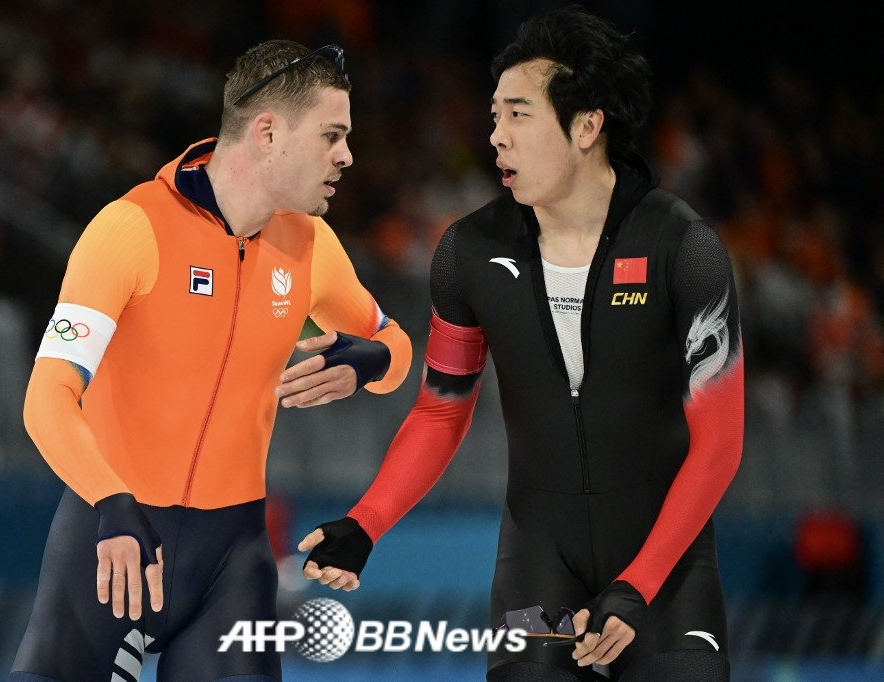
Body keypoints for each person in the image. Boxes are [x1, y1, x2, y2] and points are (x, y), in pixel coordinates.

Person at [298, 6, 744, 681]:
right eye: (494, 116)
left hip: (667, 574)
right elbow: (442, 408)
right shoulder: (469, 253)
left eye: (518, 115)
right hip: (538, 566)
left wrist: (639, 585)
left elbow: (719, 442)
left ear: (588, 125)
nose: (495, 136)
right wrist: (367, 522)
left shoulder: (683, 249)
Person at [9, 39, 412, 682]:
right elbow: (47, 396)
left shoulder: (312, 246)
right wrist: (111, 505)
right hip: (116, 539)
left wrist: (368, 360)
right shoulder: (130, 228)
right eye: (332, 135)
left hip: (232, 560)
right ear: (269, 132)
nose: (347, 156)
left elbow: (396, 352)